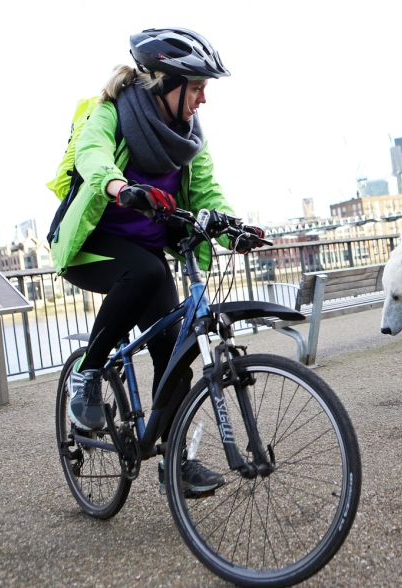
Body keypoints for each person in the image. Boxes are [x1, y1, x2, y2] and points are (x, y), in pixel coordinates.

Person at [50, 28, 264, 493]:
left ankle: (176, 463)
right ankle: (88, 373)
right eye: (197, 87)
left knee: (174, 353)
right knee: (144, 271)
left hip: (145, 251)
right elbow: (92, 155)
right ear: (166, 82)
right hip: (92, 245)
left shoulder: (189, 138)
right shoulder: (111, 112)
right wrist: (121, 188)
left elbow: (206, 191)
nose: (203, 99)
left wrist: (232, 227)